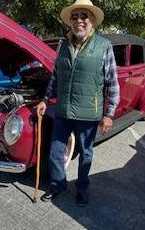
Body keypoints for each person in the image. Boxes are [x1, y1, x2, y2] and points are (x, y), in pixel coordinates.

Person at [36, 0, 120, 207]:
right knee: (55, 151)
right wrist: (45, 100)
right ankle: (58, 184)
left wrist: (109, 114)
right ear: (70, 22)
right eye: (74, 17)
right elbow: (55, 77)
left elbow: (113, 83)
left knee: (85, 154)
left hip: (88, 114)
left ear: (92, 20)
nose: (79, 21)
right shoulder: (63, 45)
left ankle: (82, 188)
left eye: (84, 16)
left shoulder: (104, 46)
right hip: (63, 111)